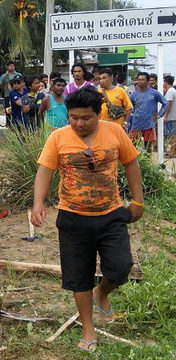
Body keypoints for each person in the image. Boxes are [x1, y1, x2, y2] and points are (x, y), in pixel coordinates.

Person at [32, 86, 143, 353]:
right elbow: (45, 171)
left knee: (120, 266)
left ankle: (101, 293)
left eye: (86, 118)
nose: (79, 123)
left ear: (98, 113)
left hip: (111, 213)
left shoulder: (114, 132)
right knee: (79, 276)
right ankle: (88, 327)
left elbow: (131, 163)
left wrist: (137, 201)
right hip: (72, 217)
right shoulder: (58, 138)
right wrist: (38, 203)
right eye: (74, 117)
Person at [130, 72, 168, 150]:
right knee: (133, 147)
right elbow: (130, 107)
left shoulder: (154, 93)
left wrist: (159, 115)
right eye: (139, 80)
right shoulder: (133, 95)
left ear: (147, 81)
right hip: (136, 124)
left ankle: (147, 161)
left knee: (148, 148)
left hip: (149, 124)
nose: (140, 81)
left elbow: (165, 103)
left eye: (143, 80)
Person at [163, 75, 176, 157]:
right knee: (172, 135)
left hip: (171, 117)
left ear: (166, 82)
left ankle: (173, 152)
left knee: (173, 135)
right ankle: (172, 151)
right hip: (172, 116)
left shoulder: (170, 91)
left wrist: (166, 116)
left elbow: (169, 103)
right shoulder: (172, 90)